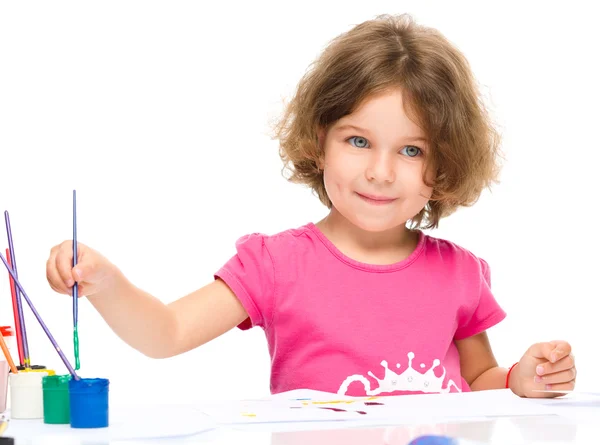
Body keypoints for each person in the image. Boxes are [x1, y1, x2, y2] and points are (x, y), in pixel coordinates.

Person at [45, 13, 576, 398]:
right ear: (318, 140)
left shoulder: (459, 273)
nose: (380, 171)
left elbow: (479, 380)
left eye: (411, 150)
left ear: (444, 169)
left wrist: (518, 381)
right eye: (358, 141)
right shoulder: (275, 265)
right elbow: (166, 334)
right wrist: (107, 284)